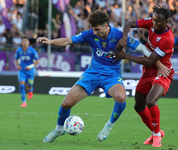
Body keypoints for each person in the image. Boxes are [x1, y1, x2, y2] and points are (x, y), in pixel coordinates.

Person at [37, 10, 169, 143]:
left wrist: (158, 64)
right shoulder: (89, 34)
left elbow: (142, 49)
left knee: (121, 97)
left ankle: (109, 126)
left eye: (97, 29)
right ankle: (58, 129)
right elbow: (68, 41)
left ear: (106, 26)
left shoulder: (118, 35)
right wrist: (50, 42)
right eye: (93, 29)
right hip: (92, 73)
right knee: (66, 103)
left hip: (112, 74)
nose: (94, 32)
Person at [113, 5, 174, 147]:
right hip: (148, 71)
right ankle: (155, 132)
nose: (154, 23)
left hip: (163, 72)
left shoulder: (167, 38)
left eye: (158, 21)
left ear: (166, 22)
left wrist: (125, 55)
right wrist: (124, 38)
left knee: (151, 101)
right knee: (138, 106)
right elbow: (129, 24)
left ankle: (157, 134)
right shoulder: (151, 23)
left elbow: (150, 59)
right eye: (154, 20)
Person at [14, 36, 39, 107]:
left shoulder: (32, 50)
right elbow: (15, 59)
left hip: (30, 71)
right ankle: (24, 102)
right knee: (21, 85)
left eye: (26, 41)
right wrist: (17, 66)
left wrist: (30, 66)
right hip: (22, 71)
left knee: (28, 86)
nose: (24, 43)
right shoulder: (19, 51)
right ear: (21, 42)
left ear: (28, 42)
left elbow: (37, 61)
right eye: (23, 41)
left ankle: (30, 90)